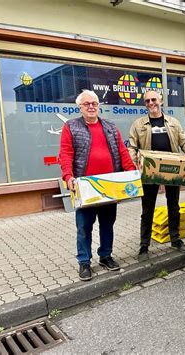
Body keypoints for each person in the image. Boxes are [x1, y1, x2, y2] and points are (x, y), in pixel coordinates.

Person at [59, 90, 136, 281]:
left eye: (94, 103)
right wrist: (68, 176)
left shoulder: (110, 126)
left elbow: (122, 151)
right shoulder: (71, 126)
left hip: (109, 185)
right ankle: (84, 261)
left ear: (98, 106)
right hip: (84, 187)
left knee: (107, 223)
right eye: (87, 104)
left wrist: (131, 172)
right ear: (80, 107)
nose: (91, 107)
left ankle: (106, 256)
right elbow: (65, 154)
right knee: (84, 226)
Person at [129, 90, 185, 261]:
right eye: (147, 101)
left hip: (172, 170)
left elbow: (184, 141)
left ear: (161, 101)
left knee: (174, 206)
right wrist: (134, 163)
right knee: (147, 209)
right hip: (150, 171)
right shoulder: (138, 124)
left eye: (154, 100)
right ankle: (144, 246)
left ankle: (175, 239)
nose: (151, 103)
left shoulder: (173, 122)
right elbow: (132, 146)